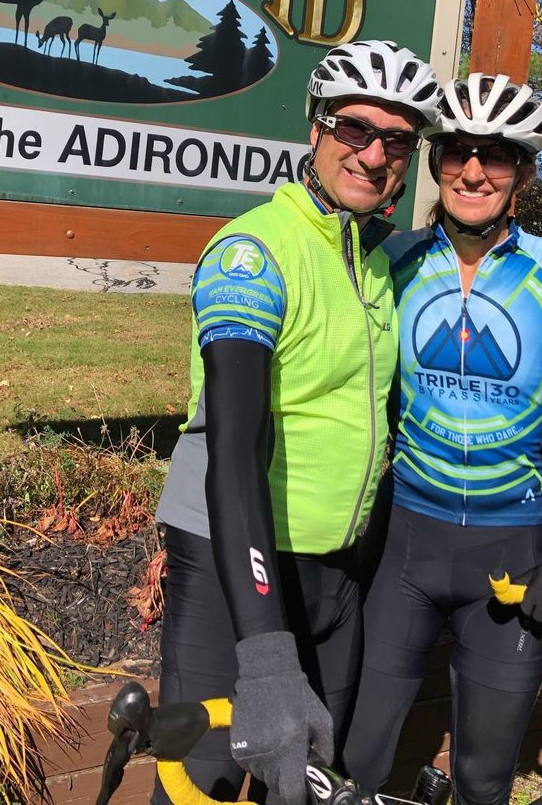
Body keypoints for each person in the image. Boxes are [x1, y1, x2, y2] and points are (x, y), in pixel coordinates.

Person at [343, 73, 542, 805]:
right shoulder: (392, 259)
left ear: (522, 171)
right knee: (358, 764)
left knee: (485, 780)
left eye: (495, 155)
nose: (473, 171)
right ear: (435, 162)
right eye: (456, 151)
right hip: (403, 550)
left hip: (513, 557)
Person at [153, 41, 443, 805]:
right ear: (316, 128)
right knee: (201, 787)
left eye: (396, 141)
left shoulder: (374, 261)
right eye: (355, 129)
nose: (373, 155)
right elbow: (234, 448)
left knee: (311, 781)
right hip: (234, 558)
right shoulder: (252, 253)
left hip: (335, 566)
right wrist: (264, 655)